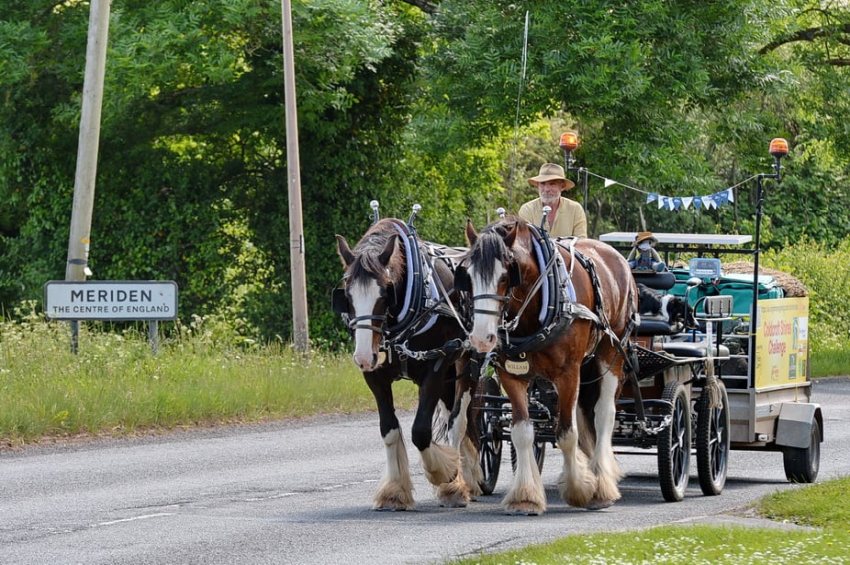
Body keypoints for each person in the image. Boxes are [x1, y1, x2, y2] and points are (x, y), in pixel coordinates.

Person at [518, 163, 587, 237]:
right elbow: (523, 243)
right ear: (538, 185)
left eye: (552, 184)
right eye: (543, 184)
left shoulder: (575, 209)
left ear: (562, 186)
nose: (547, 189)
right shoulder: (527, 210)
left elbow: (581, 243)